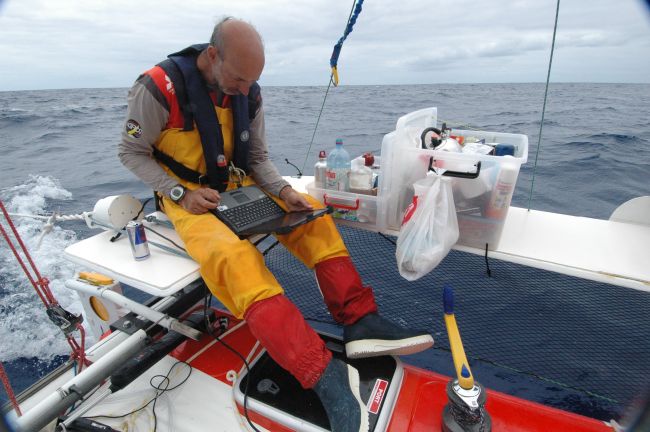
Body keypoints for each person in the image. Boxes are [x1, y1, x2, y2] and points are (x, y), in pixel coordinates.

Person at [118, 17, 433, 432]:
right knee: (236, 259)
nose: (246, 91)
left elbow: (257, 158)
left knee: (313, 218)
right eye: (238, 79)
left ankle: (358, 319)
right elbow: (131, 152)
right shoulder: (158, 88)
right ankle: (325, 374)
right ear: (212, 56)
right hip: (188, 198)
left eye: (253, 81)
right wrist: (181, 194)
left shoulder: (248, 92)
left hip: (238, 186)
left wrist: (285, 194)